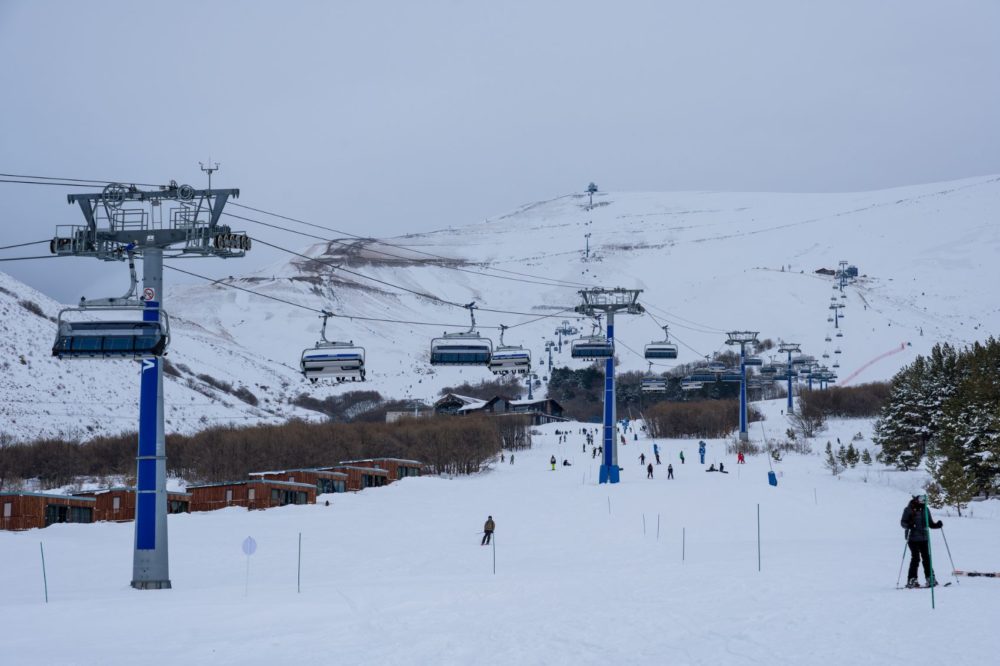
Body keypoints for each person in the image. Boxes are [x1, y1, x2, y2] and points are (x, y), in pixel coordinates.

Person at [901, 496, 943, 587]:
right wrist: (909, 525)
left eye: (925, 499)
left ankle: (930, 578)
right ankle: (912, 579)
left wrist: (937, 525)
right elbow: (903, 523)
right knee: (916, 558)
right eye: (921, 499)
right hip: (912, 538)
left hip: (924, 538)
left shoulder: (925, 509)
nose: (923, 501)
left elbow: (930, 524)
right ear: (916, 498)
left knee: (927, 558)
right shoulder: (908, 509)